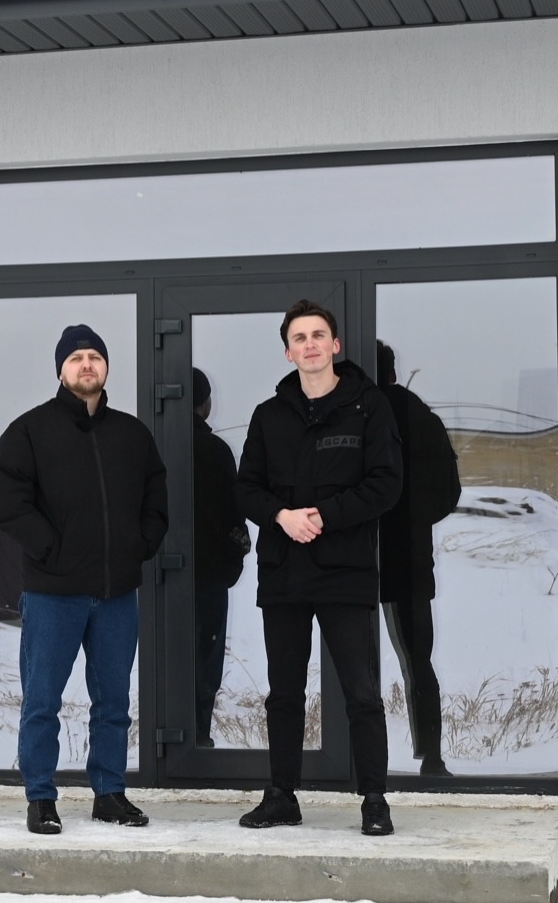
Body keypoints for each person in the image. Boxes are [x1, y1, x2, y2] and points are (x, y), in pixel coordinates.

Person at [233, 299, 403, 836]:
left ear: (335, 345)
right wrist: (281, 516)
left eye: (318, 335)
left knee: (361, 692)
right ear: (288, 352)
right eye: (299, 338)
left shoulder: (368, 408)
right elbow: (245, 487)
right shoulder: (268, 415)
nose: (309, 345)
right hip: (284, 571)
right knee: (284, 693)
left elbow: (385, 484)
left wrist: (324, 516)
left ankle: (374, 799)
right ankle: (282, 795)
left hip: (345, 572)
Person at [0, 323, 168, 835]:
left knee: (113, 702)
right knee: (42, 701)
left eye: (94, 356)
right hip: (53, 593)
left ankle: (109, 793)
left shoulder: (131, 435)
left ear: (106, 367)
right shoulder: (29, 431)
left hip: (116, 595)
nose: (86, 364)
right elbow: (10, 504)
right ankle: (40, 798)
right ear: (61, 370)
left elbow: (156, 499)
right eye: (76, 358)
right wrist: (53, 550)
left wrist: (139, 546)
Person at [374, 341, 463, 778]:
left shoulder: (358, 417)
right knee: (418, 661)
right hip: (410, 558)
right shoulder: (422, 418)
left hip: (359, 558)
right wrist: (410, 518)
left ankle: (356, 762)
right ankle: (432, 756)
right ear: (393, 372)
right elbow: (449, 491)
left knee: (353, 665)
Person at [189, 368, 248, 744]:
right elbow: (236, 518)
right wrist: (230, 566)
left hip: (163, 578)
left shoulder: (157, 451)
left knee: (170, 658)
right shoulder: (217, 452)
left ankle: (172, 747)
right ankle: (198, 740)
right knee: (206, 659)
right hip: (210, 576)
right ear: (205, 403)